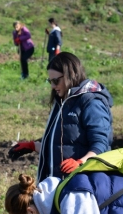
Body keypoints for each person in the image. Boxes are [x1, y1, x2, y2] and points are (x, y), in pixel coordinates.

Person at [8, 52, 113, 181]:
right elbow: (61, 146)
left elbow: (101, 144)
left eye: (56, 81)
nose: (52, 86)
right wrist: (33, 146)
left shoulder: (91, 102)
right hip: (59, 184)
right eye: (50, 81)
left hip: (82, 186)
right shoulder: (63, 102)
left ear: (70, 75)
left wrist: (81, 162)